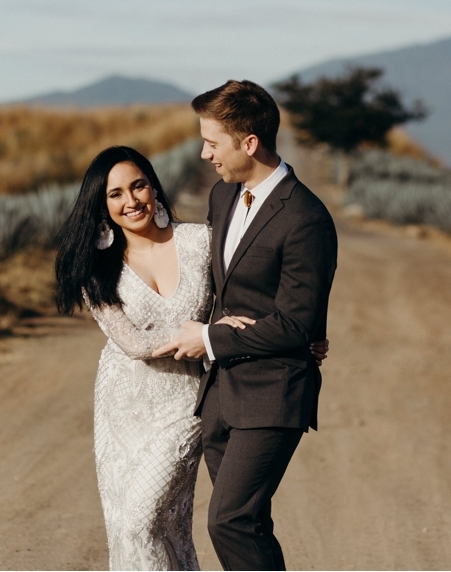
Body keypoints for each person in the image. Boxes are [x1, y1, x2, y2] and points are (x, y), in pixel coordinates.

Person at [55, 145, 329, 571]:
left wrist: (303, 334)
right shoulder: (97, 267)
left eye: (138, 185)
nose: (131, 201)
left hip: (187, 403)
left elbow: (253, 286)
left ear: (154, 187)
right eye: (115, 194)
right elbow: (132, 343)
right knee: (130, 524)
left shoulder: (199, 242)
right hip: (122, 406)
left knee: (141, 521)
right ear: (101, 205)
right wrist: (211, 333)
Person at [154, 80, 338, 571]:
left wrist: (211, 337)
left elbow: (297, 325)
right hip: (221, 395)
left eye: (213, 142)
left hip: (273, 395)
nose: (203, 153)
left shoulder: (306, 218)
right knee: (247, 525)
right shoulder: (223, 197)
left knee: (230, 521)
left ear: (248, 143)